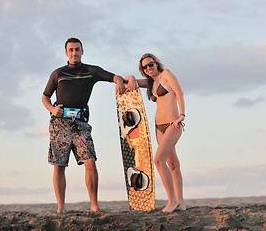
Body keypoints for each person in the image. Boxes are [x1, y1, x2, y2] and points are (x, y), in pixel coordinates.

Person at [42, 37, 132, 213]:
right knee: (59, 165)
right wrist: (52, 109)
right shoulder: (58, 73)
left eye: (77, 49)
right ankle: (61, 207)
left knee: (90, 162)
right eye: (71, 50)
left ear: (82, 51)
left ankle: (94, 205)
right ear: (66, 53)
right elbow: (45, 97)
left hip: (81, 124)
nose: (74, 53)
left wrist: (121, 80)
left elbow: (113, 77)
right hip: (59, 123)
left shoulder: (92, 71)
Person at [128, 53, 186, 212]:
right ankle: (180, 202)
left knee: (158, 160)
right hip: (158, 127)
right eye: (144, 67)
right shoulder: (150, 83)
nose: (148, 68)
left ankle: (172, 200)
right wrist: (132, 77)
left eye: (150, 64)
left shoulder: (166, 74)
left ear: (156, 63)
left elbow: (179, 93)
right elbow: (128, 82)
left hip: (173, 124)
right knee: (172, 163)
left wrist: (182, 115)